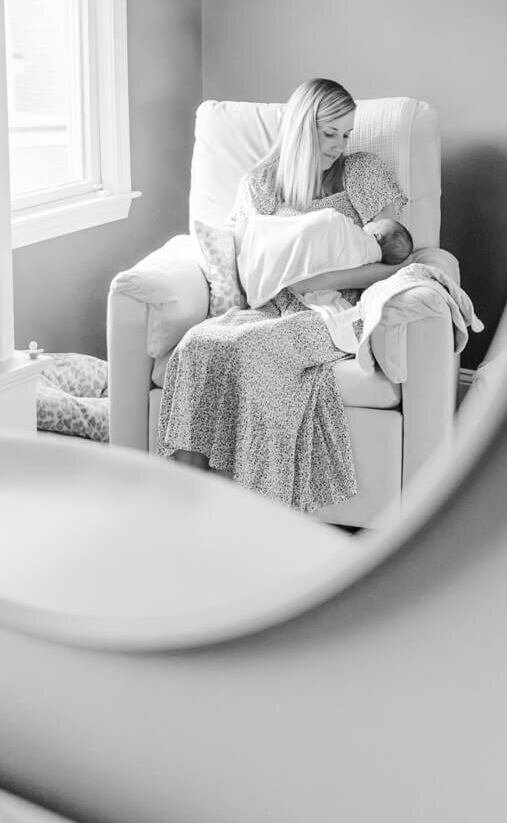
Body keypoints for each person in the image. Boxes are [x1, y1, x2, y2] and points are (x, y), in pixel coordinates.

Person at [156, 77, 410, 511]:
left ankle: (263, 510)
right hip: (267, 307)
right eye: (329, 133)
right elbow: (247, 256)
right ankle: (184, 501)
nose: (339, 145)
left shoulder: (360, 171)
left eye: (345, 134)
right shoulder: (260, 185)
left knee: (256, 351)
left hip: (335, 310)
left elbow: (396, 257)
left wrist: (316, 282)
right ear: (300, 129)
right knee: (197, 345)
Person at [296, 214, 413, 354]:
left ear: (378, 236)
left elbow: (336, 226)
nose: (368, 223)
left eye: (376, 223)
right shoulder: (368, 262)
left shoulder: (363, 247)